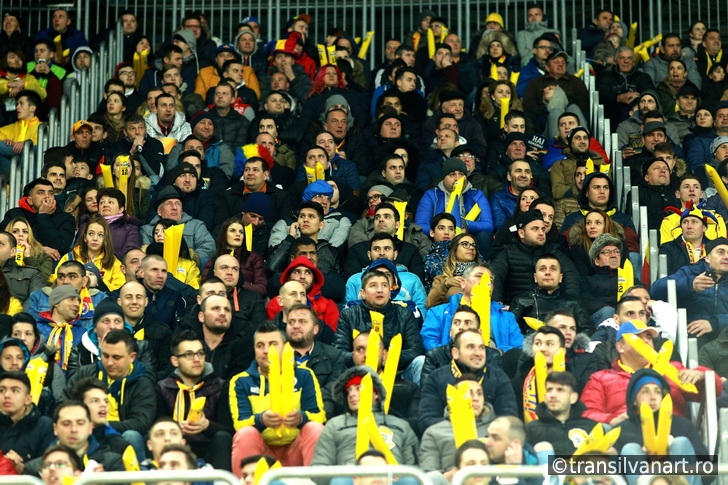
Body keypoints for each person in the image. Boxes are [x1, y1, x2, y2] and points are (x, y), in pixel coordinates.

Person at [229, 322, 325, 475]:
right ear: (254, 349)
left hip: (296, 450)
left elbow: (318, 416)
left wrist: (301, 418)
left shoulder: (304, 375)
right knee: (245, 434)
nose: (266, 351)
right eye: (260, 345)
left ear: (286, 347)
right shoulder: (240, 381)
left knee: (315, 429)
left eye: (273, 344)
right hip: (261, 455)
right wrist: (261, 420)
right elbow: (240, 424)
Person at [581, 320, 718, 425]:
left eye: (648, 337)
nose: (646, 340)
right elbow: (586, 414)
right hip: (623, 438)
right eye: (638, 337)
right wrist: (612, 420)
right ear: (620, 347)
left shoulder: (672, 368)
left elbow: (714, 392)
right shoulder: (601, 378)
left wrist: (702, 376)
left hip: (670, 436)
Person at [63, 329, 156, 460]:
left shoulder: (142, 383)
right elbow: (64, 404)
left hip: (120, 435)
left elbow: (141, 423)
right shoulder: (84, 374)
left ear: (132, 357)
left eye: (116, 357)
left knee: (132, 436)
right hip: (83, 430)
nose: (109, 362)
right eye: (105, 356)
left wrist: (101, 425)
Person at [156, 329, 233, 470]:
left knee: (222, 437)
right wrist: (176, 429)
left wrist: (207, 425)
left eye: (200, 353)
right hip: (173, 449)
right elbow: (156, 426)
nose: (196, 359)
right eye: (189, 355)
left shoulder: (220, 386)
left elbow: (229, 430)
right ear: (175, 361)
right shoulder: (163, 388)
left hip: (210, 449)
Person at [615, 369, 709, 485]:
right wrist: (645, 458)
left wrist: (671, 455)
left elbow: (708, 472)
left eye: (658, 392)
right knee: (631, 449)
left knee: (680, 443)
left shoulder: (683, 426)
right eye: (645, 391)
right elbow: (612, 476)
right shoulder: (622, 430)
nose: (653, 397)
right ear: (634, 400)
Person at [311, 366, 418, 466]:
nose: (351, 394)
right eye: (349, 390)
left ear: (376, 393)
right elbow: (320, 467)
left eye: (358, 388)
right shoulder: (334, 425)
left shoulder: (400, 426)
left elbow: (414, 468)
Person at [334, 268, 425, 384]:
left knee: (420, 362)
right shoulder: (349, 315)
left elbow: (416, 350)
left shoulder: (404, 313)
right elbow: (338, 350)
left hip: (397, 372)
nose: (380, 290)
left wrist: (388, 357)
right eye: (373, 286)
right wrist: (364, 356)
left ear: (390, 292)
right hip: (358, 371)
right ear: (362, 293)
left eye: (384, 286)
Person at [419, 329, 517, 432]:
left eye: (481, 348)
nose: (478, 353)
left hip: (489, 440)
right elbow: (426, 420)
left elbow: (508, 417)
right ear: (455, 353)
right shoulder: (436, 377)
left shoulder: (498, 376)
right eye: (471, 347)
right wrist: (463, 429)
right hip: (448, 440)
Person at [491, 209, 581, 305]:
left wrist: (569, 301)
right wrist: (497, 304)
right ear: (521, 233)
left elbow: (571, 274)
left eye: (543, 229)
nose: (541, 233)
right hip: (514, 310)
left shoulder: (553, 250)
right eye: (535, 229)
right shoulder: (508, 252)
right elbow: (495, 276)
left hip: (549, 308)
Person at [651, 237, 728, 346]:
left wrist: (714, 323)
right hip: (694, 332)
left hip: (725, 330)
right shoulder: (690, 272)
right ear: (707, 258)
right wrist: (690, 285)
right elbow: (656, 290)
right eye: (721, 252)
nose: (726, 257)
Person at [419, 373, 496, 481]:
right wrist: (448, 476)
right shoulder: (434, 433)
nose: (475, 398)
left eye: (479, 394)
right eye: (468, 394)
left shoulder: (497, 429)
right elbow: (428, 474)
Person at [415, 157, 494, 257]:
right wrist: (443, 229)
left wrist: (463, 224)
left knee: (484, 236)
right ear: (444, 178)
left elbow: (488, 225)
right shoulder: (431, 195)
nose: (457, 178)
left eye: (461, 174)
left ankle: (482, 267)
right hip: (439, 240)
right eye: (452, 174)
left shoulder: (477, 195)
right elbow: (420, 225)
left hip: (468, 239)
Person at [23, 401, 125, 475]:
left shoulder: (111, 464)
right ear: (55, 429)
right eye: (66, 424)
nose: (74, 429)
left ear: (90, 427)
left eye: (80, 423)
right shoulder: (34, 469)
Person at [509, 254, 594, 335]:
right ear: (535, 277)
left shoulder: (572, 302)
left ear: (560, 277)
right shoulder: (521, 301)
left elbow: (588, 330)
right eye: (542, 269)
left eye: (553, 269)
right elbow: (508, 329)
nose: (547, 272)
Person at [1, 177, 76, 258]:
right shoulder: (14, 214)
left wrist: (43, 216)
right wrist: (39, 250)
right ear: (30, 200)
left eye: (51, 193)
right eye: (41, 193)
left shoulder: (66, 219)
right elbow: (3, 242)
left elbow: (59, 249)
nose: (47, 197)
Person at [141, 185, 216, 265]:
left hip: (189, 270)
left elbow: (208, 247)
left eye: (178, 204)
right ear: (159, 211)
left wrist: (186, 262)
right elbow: (145, 254)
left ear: (182, 210)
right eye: (169, 204)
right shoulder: (146, 230)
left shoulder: (196, 225)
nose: (174, 207)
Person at [0, 371, 55, 473]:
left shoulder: (44, 426)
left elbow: (50, 466)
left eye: (15, 391)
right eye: (2, 390)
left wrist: (23, 469)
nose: (6, 395)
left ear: (28, 399)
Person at [53, 215, 125, 292]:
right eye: (91, 234)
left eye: (100, 235)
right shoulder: (70, 257)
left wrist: (99, 281)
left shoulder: (113, 261)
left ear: (105, 240)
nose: (95, 238)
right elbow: (56, 279)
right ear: (85, 238)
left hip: (101, 301)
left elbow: (119, 289)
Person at [284, 303, 344, 388]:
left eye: (302, 321)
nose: (295, 326)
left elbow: (333, 392)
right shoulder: (276, 354)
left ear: (315, 329)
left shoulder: (333, 356)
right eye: (291, 322)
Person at [0, 90, 41, 176]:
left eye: (21, 104)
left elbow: (42, 149)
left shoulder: (43, 128)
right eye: (17, 104)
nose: (17, 107)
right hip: (10, 170)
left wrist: (25, 144)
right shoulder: (7, 129)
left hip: (32, 170)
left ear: (32, 108)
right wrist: (7, 143)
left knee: (32, 151)